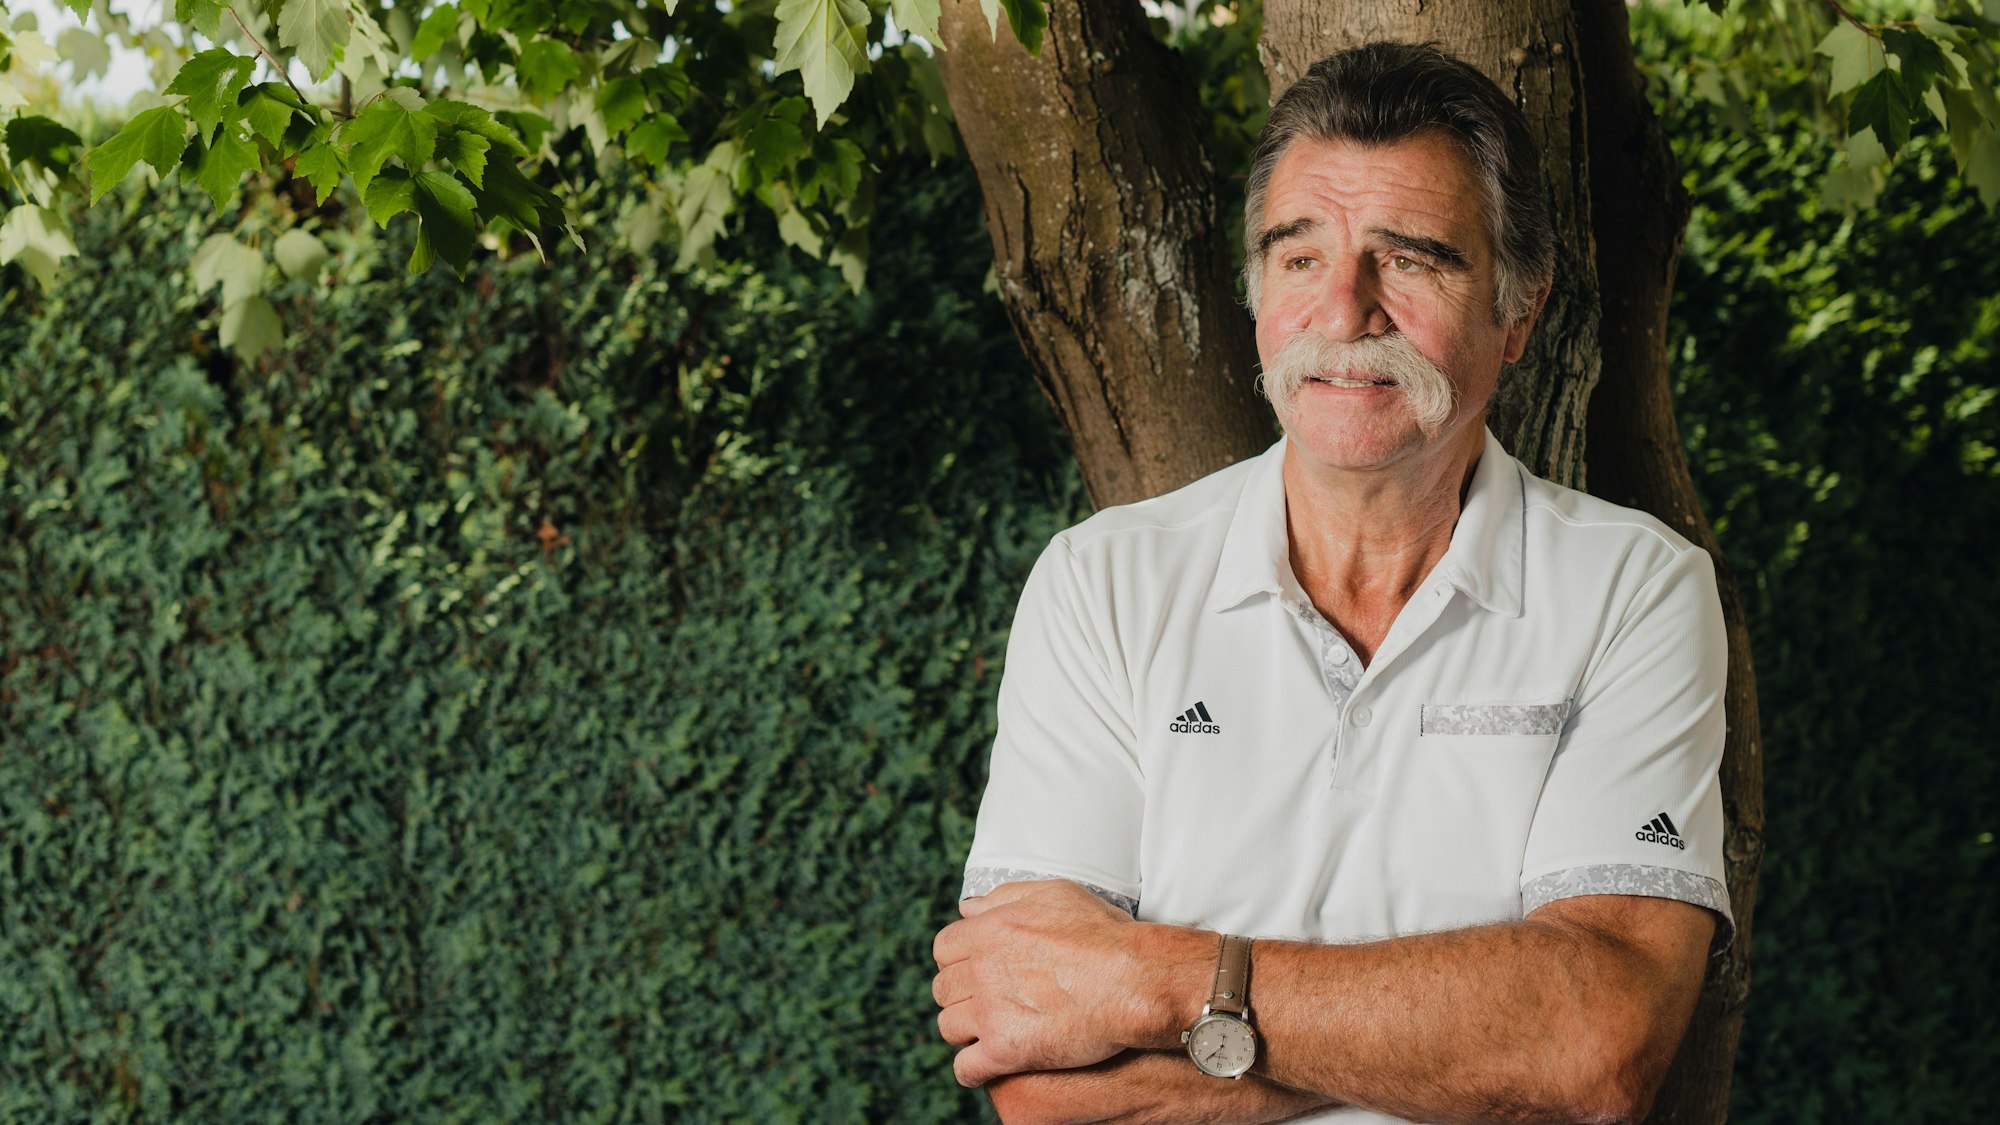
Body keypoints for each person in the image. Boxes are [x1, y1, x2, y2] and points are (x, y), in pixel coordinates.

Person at [930, 42, 1733, 1125]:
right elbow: (1034, 1077)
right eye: (1297, 258)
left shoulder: (1630, 588)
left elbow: (1594, 1044)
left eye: (1409, 259)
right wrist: (1462, 1046)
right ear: (1257, 288)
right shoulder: (1102, 582)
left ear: (1518, 312)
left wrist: (1161, 985)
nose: (1343, 310)